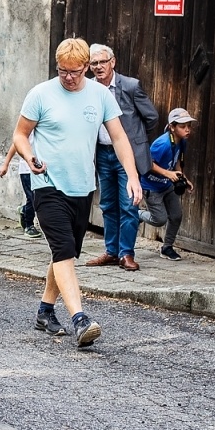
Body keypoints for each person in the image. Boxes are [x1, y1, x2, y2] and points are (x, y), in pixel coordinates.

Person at [12, 38, 143, 348]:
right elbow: (20, 134)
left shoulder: (100, 95)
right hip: (47, 184)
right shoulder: (41, 94)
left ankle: (45, 311)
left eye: (74, 71)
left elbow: (119, 137)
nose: (68, 77)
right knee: (63, 250)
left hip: (82, 187)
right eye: (62, 71)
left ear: (86, 67)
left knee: (66, 252)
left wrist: (132, 176)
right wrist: (30, 157)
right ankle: (80, 319)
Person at [86, 43, 159, 272]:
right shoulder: (88, 88)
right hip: (102, 153)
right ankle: (111, 251)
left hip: (126, 157)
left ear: (113, 62)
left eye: (102, 62)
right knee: (107, 204)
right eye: (94, 63)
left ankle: (126, 253)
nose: (99, 67)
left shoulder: (130, 86)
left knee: (129, 205)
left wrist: (136, 141)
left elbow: (152, 117)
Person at [141, 108, 197, 261]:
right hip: (151, 187)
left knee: (176, 215)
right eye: (183, 126)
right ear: (172, 127)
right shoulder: (162, 144)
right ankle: (136, 214)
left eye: (189, 126)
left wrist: (182, 178)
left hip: (167, 184)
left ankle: (167, 247)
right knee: (159, 220)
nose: (187, 130)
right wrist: (168, 174)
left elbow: (177, 160)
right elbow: (147, 163)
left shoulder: (182, 141)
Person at [0, 141, 41, 238]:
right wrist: (5, 164)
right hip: (27, 169)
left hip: (43, 168)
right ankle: (29, 225)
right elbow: (16, 144)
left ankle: (24, 210)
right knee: (32, 197)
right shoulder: (26, 131)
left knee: (40, 197)